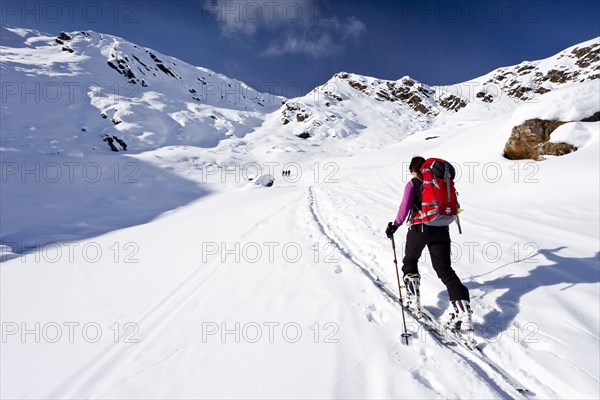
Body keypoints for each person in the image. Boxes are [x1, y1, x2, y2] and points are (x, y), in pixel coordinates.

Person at [385, 156, 473, 332]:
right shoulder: (439, 182)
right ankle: (464, 315)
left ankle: (413, 299)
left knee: (410, 261)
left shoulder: (413, 184)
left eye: (411, 170)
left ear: (414, 169)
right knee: (445, 270)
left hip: (420, 227)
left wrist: (394, 225)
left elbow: (404, 207)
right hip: (441, 227)